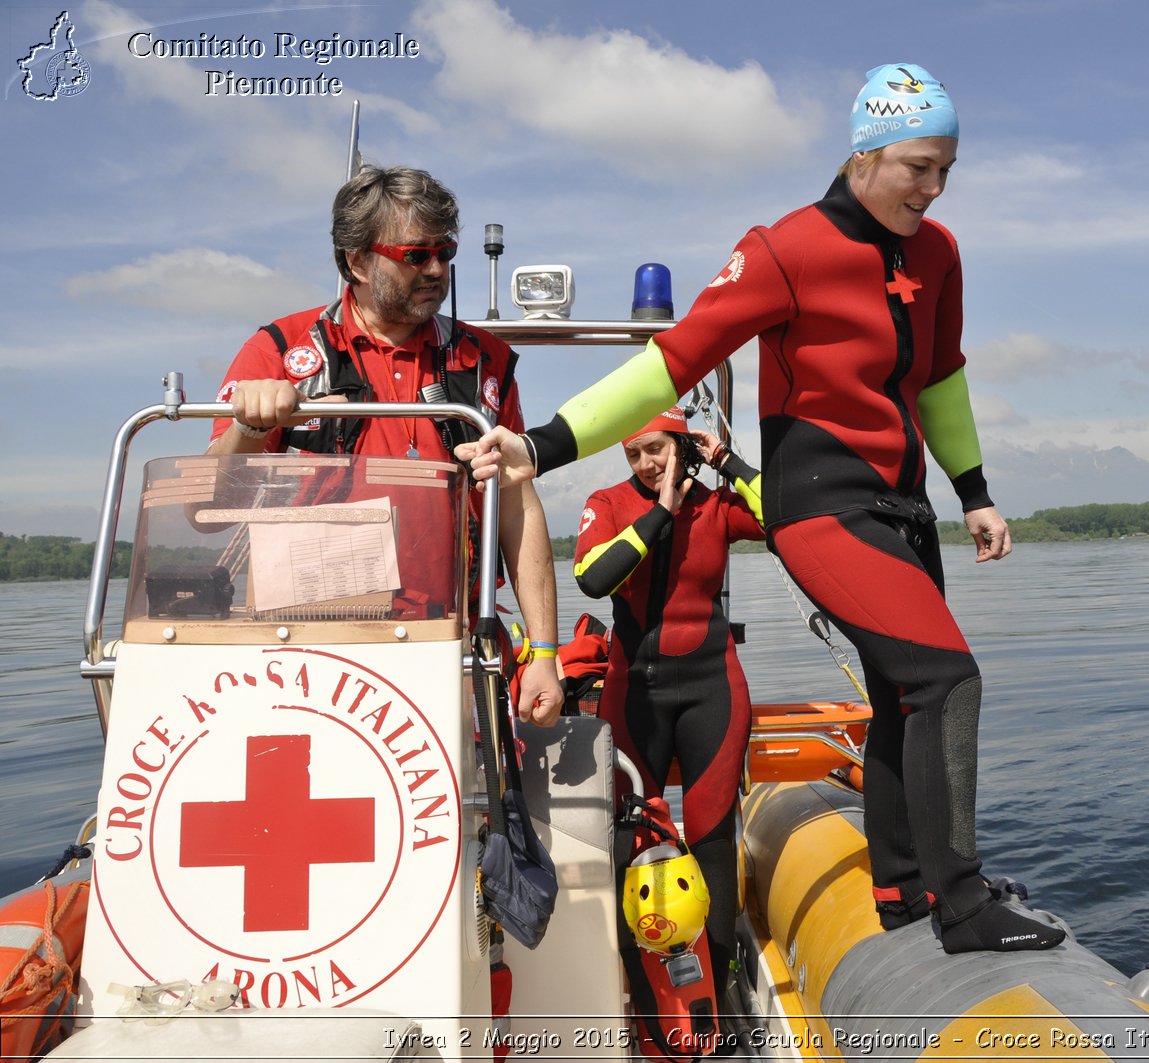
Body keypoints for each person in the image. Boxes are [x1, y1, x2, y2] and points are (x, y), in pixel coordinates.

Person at [458, 64, 1063, 953]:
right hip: (818, 508)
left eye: (947, 171)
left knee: (905, 690)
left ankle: (901, 885)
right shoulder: (786, 248)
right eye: (917, 168)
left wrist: (973, 492)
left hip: (903, 506)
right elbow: (672, 361)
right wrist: (543, 442)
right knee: (947, 679)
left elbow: (942, 376)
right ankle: (964, 903)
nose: (933, 190)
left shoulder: (938, 254)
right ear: (865, 153)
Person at [209, 164, 563, 726]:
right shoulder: (279, 351)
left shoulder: (485, 363)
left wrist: (545, 652)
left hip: (452, 644)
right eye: (416, 255)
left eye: (446, 253)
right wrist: (250, 428)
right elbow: (206, 513)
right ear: (357, 261)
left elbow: (517, 507)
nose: (438, 269)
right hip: (307, 656)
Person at [573, 407, 764, 1001]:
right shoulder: (608, 504)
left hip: (713, 688)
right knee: (634, 837)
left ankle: (723, 982)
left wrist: (727, 462)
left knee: (710, 835)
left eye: (656, 449)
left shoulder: (716, 505)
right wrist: (661, 511)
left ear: (681, 445)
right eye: (634, 454)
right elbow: (592, 577)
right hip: (637, 693)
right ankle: (640, 988)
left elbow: (786, 515)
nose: (645, 463)